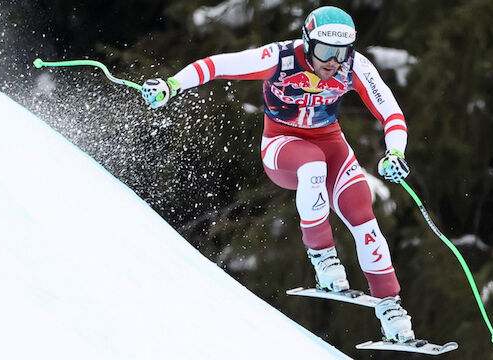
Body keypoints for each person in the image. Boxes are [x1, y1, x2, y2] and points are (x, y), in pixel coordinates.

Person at [142, 6, 414, 343]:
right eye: (325, 51)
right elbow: (217, 65)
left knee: (363, 215)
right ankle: (324, 260)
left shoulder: (354, 67)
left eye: (341, 53)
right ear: (307, 42)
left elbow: (390, 111)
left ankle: (391, 310)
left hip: (331, 143)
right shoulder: (279, 58)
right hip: (283, 147)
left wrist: (396, 151)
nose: (333, 61)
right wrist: (171, 85)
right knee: (312, 164)